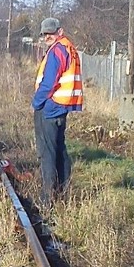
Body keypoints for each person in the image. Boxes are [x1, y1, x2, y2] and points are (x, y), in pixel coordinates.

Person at [32, 16, 83, 209]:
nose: (47, 37)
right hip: (62, 107)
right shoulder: (69, 48)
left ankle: (47, 199)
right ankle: (62, 193)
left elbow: (48, 83)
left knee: (47, 153)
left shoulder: (57, 51)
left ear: (59, 32)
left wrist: (36, 102)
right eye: (44, 34)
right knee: (60, 151)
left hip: (50, 107)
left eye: (50, 33)